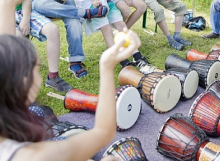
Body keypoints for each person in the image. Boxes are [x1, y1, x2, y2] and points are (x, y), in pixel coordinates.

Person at [0, 26, 141, 161]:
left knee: (38, 113)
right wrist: (106, 66)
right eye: (37, 68)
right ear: (24, 81)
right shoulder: (35, 156)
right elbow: (103, 132)